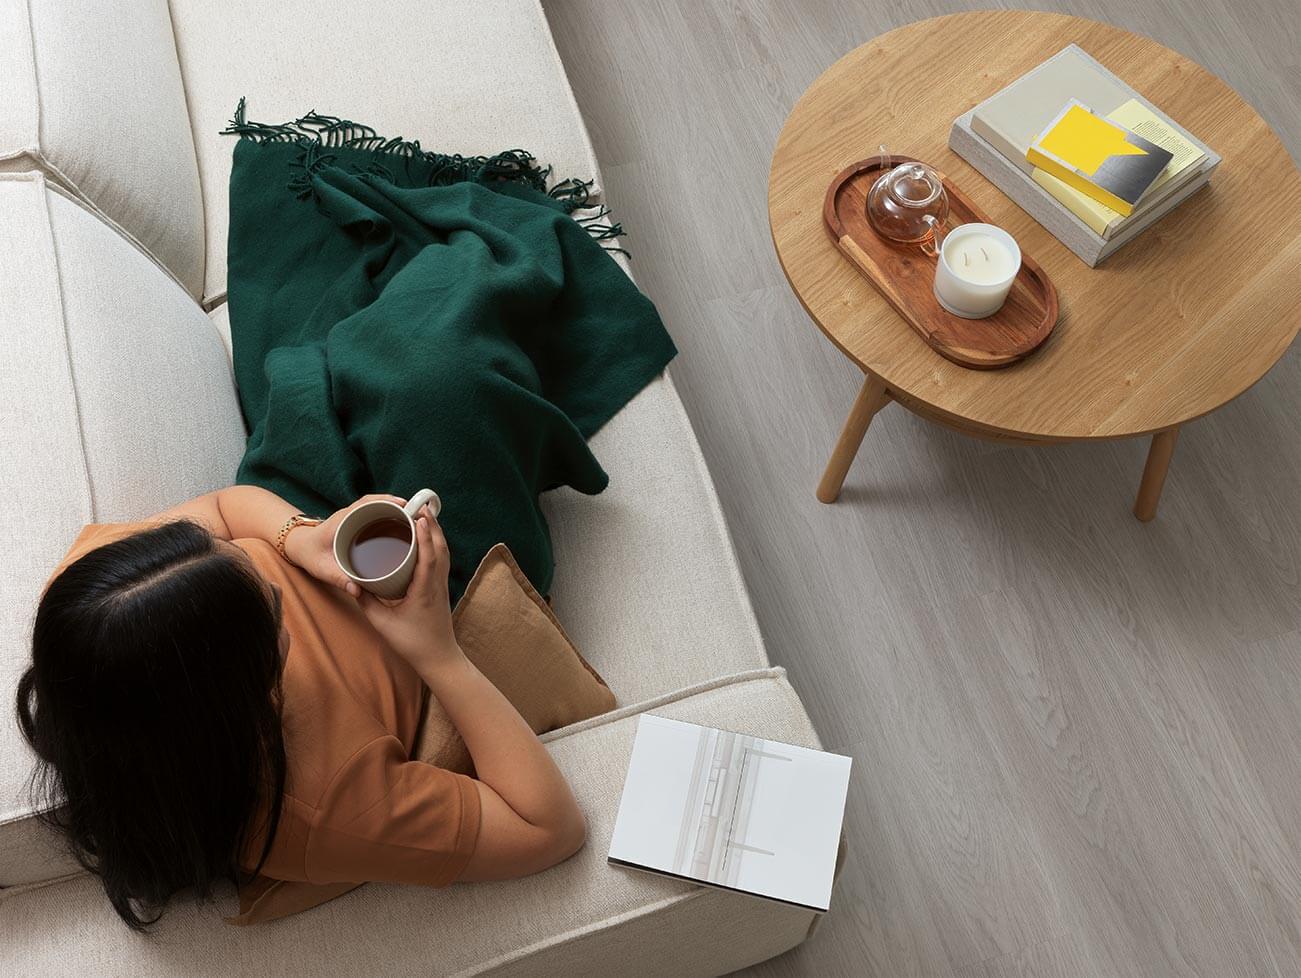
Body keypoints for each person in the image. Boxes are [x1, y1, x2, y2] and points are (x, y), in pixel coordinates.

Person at [15, 485, 586, 930]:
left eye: (242, 561)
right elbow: (550, 830)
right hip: (441, 608)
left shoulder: (97, 600)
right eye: (270, 611)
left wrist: (300, 537)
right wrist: (439, 652)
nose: (277, 586)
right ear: (245, 701)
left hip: (333, 531)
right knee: (444, 380)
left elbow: (223, 507)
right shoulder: (326, 808)